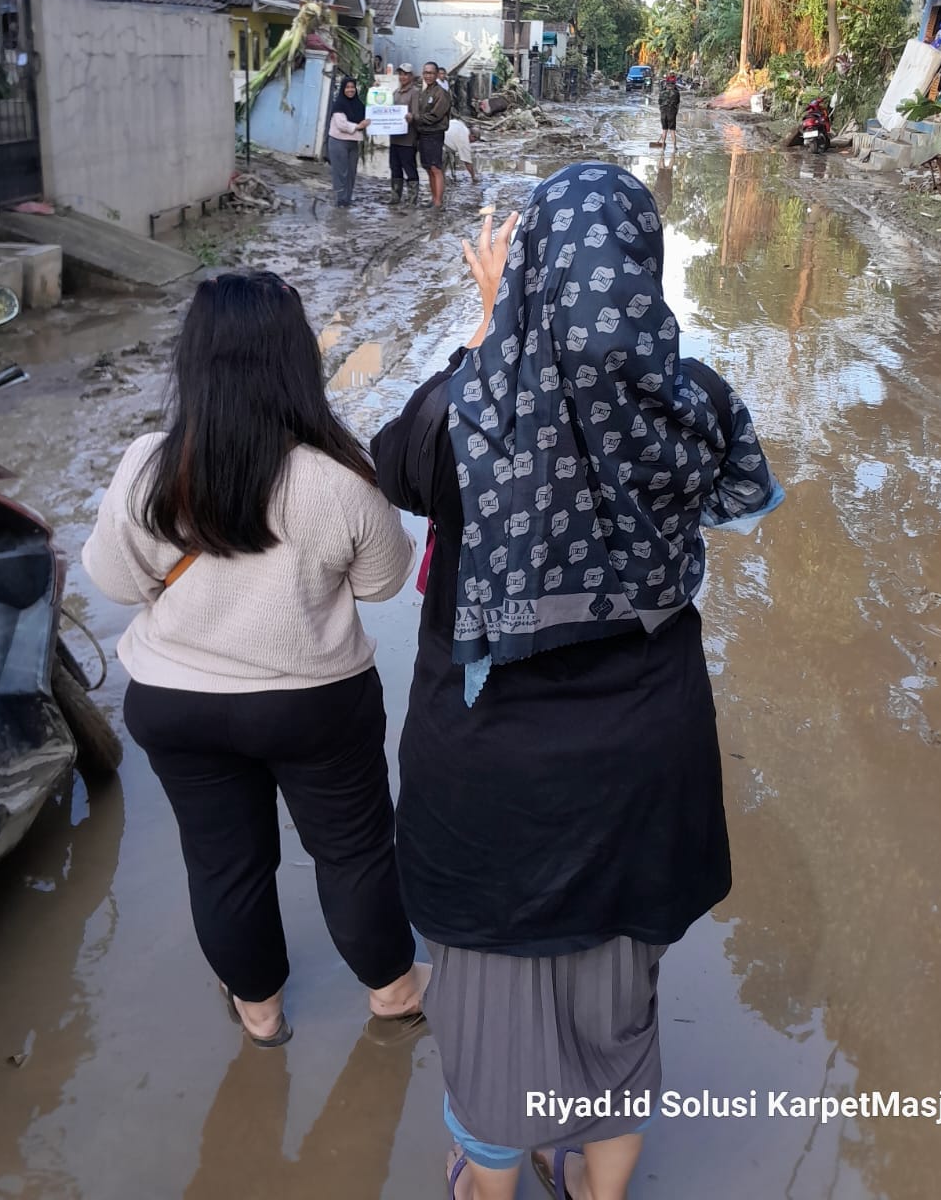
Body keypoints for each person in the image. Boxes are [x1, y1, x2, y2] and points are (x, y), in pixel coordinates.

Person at [371, 164, 783, 1200]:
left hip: (488, 778)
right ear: (640, 269)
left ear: (534, 271)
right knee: (618, 998)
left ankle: (489, 1181)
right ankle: (600, 1188)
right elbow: (740, 501)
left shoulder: (462, 412)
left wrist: (491, 325)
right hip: (647, 759)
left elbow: (394, 465)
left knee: (488, 1008)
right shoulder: (698, 405)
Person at [82, 272, 427, 1049]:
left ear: (192, 362)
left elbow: (112, 580)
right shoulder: (340, 477)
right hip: (314, 703)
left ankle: (261, 1014)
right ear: (297, 360)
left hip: (176, 705)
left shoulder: (146, 465)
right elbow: (382, 583)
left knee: (224, 866)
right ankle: (394, 991)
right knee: (354, 854)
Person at [414, 61, 452, 209]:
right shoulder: (425, 92)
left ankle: (438, 202)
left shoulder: (441, 93)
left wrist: (416, 119)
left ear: (436, 75)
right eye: (425, 73)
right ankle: (434, 198)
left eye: (430, 73)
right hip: (423, 134)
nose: (427, 76)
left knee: (436, 168)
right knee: (428, 167)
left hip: (435, 134)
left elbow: (435, 115)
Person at [327, 76, 368, 208]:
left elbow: (368, 117)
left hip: (353, 143)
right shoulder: (339, 104)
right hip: (338, 142)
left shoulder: (359, 105)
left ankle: (347, 199)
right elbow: (341, 125)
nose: (350, 90)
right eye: (347, 87)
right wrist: (358, 126)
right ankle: (340, 200)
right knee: (340, 172)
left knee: (351, 173)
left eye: (352, 87)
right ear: (343, 89)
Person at [389, 62, 422, 207]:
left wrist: (411, 117)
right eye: (400, 74)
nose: (402, 77)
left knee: (409, 167)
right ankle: (395, 196)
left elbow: (417, 115)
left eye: (405, 74)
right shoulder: (395, 93)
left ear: (411, 76)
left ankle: (412, 199)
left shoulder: (414, 92)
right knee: (394, 167)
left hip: (408, 139)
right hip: (394, 138)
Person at [444, 117, 480, 182]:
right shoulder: (464, 140)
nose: (472, 142)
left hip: (439, 136)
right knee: (439, 170)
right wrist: (473, 177)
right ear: (472, 136)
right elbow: (467, 162)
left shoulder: (461, 125)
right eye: (474, 140)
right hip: (442, 144)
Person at [658, 72, 680, 144]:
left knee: (664, 130)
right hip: (672, 114)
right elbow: (677, 103)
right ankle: (674, 147)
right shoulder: (676, 93)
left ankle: (662, 146)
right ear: (673, 84)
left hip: (663, 114)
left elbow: (659, 103)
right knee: (672, 130)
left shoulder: (661, 93)